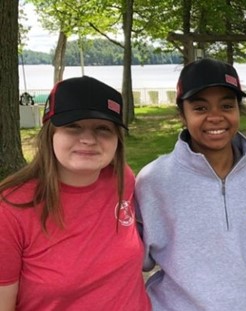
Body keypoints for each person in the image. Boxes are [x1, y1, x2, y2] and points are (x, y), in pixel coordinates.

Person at [136, 57, 246, 310]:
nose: (215, 117)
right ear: (182, 113)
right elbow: (139, 259)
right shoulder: (153, 181)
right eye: (201, 108)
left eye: (227, 106)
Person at [0, 76, 150, 310]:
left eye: (103, 129)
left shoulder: (122, 179)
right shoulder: (10, 210)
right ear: (50, 133)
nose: (88, 140)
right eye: (73, 126)